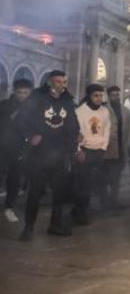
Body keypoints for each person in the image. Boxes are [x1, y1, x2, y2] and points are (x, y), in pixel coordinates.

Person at [17, 70, 80, 241]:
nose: (62, 85)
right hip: (40, 154)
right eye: (59, 81)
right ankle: (28, 227)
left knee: (60, 192)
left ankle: (55, 224)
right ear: (50, 82)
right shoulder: (37, 97)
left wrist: (74, 140)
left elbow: (73, 123)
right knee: (35, 192)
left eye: (64, 82)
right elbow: (22, 120)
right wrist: (30, 136)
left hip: (60, 154)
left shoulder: (67, 101)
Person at [71, 84, 111, 225]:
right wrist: (79, 150)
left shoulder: (105, 111)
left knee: (91, 184)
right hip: (84, 151)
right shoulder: (80, 112)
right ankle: (79, 211)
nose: (99, 98)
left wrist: (103, 148)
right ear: (89, 96)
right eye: (96, 95)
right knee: (81, 184)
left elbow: (106, 130)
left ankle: (83, 210)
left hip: (98, 150)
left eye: (101, 95)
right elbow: (77, 133)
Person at [0, 78, 34, 223]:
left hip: (21, 149)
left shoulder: (34, 109)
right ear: (14, 91)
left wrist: (27, 146)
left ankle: (9, 207)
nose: (22, 95)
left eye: (25, 92)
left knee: (14, 179)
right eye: (19, 92)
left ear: (30, 92)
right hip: (2, 147)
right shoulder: (4, 106)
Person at [102, 86, 130, 209]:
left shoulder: (125, 111)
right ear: (109, 96)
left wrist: (128, 145)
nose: (116, 97)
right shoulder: (103, 110)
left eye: (118, 95)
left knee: (116, 177)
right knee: (105, 177)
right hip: (107, 149)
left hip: (120, 148)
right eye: (114, 95)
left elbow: (129, 129)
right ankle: (104, 201)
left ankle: (114, 199)